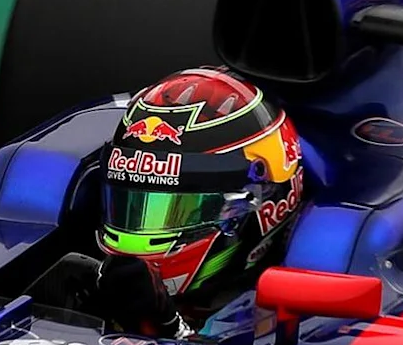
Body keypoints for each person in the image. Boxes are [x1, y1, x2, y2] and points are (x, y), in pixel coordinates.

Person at [95, 67, 308, 329]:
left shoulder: (285, 304)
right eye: (132, 205)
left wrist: (168, 328)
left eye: (178, 209)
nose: (137, 234)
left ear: (261, 202)